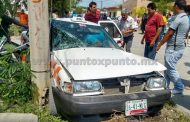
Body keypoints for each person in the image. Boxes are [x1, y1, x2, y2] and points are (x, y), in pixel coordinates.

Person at [156, 0, 189, 94]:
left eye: (174, 7)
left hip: (174, 49)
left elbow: (169, 33)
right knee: (167, 68)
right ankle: (165, 86)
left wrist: (159, 44)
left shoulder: (179, 18)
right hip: (178, 47)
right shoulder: (186, 18)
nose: (173, 9)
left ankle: (179, 87)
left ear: (177, 6)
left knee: (170, 69)